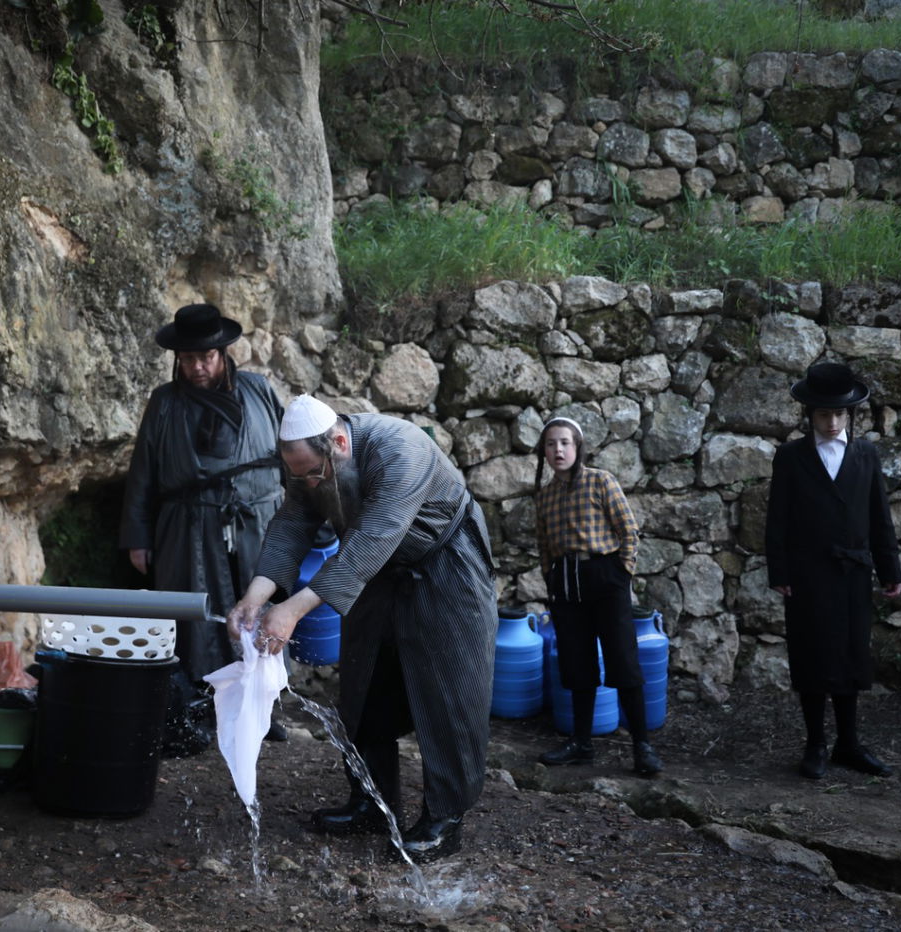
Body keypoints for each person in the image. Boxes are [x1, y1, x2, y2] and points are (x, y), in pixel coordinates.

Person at [227, 395, 495, 863]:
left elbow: (372, 538)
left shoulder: (401, 449)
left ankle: (445, 818)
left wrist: (291, 611)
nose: (310, 483)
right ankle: (370, 801)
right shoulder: (308, 466)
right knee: (363, 683)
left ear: (339, 442)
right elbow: (292, 525)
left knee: (449, 690)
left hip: (444, 563)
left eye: (315, 473)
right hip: (372, 571)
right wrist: (255, 596)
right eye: (299, 477)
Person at [120, 303, 285, 751]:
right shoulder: (165, 402)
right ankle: (199, 707)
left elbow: (289, 454)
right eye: (188, 358)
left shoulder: (258, 391)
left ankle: (264, 705)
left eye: (205, 357)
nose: (196, 367)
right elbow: (144, 472)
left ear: (223, 353)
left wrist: (302, 524)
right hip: (188, 526)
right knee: (197, 619)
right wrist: (138, 538)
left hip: (255, 522)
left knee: (261, 608)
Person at [766, 362, 901, 780]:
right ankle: (815, 744)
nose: (831, 423)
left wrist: (890, 568)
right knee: (811, 656)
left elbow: (880, 517)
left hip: (853, 573)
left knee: (849, 656)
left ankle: (848, 743)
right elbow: (777, 519)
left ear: (850, 414)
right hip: (807, 574)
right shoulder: (791, 457)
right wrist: (780, 572)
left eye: (839, 414)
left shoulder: (865, 455)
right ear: (810, 414)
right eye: (824, 414)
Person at [533, 417, 663, 778]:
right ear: (543, 451)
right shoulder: (545, 496)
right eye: (551, 444)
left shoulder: (600, 481)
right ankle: (581, 743)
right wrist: (550, 577)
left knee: (623, 658)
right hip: (565, 582)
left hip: (605, 577)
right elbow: (543, 544)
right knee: (577, 663)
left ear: (578, 447)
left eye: (565, 442)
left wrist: (622, 572)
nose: (558, 450)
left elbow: (628, 529)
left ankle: (642, 746)